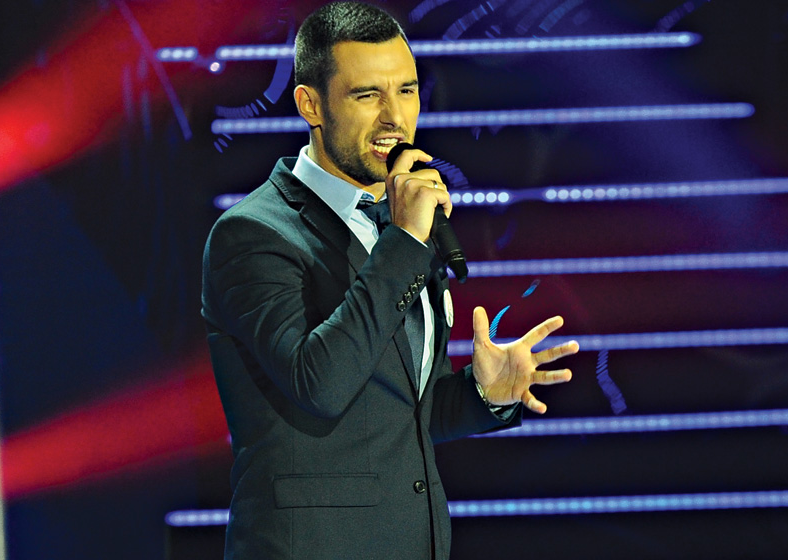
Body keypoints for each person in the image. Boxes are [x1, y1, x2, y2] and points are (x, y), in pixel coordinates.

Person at [201, 2, 578, 558]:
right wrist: (404, 241)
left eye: (406, 90)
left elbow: (397, 414)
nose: (394, 117)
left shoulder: (400, 229)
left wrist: (484, 393)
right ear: (310, 104)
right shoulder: (254, 234)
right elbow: (320, 386)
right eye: (367, 95)